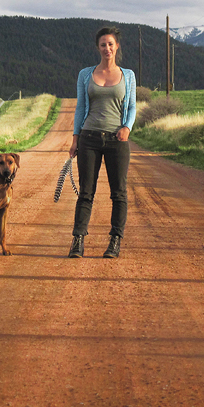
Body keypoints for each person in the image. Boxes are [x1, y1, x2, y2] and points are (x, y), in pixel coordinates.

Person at [68, 26, 137, 259]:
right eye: (102, 44)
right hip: (89, 138)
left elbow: (132, 106)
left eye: (110, 44)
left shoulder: (128, 75)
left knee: (119, 193)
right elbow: (80, 108)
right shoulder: (85, 74)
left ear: (116, 46)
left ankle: (115, 241)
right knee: (86, 192)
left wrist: (127, 127)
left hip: (117, 140)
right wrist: (75, 138)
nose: (106, 48)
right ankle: (78, 241)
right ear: (97, 48)